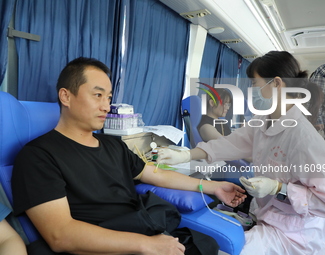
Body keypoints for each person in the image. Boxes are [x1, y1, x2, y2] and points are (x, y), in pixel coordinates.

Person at [11, 57, 246, 255]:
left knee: (207, 245)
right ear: (66, 96)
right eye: (97, 95)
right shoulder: (38, 156)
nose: (106, 106)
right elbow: (60, 235)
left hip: (137, 227)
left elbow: (156, 175)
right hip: (101, 243)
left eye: (109, 97)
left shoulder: (113, 145)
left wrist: (213, 187)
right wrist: (146, 245)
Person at [157, 51, 325, 254]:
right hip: (266, 215)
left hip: (297, 231)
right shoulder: (263, 121)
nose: (251, 90)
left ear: (277, 84)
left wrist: (278, 188)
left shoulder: (304, 139)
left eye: (254, 83)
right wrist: (187, 155)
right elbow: (229, 144)